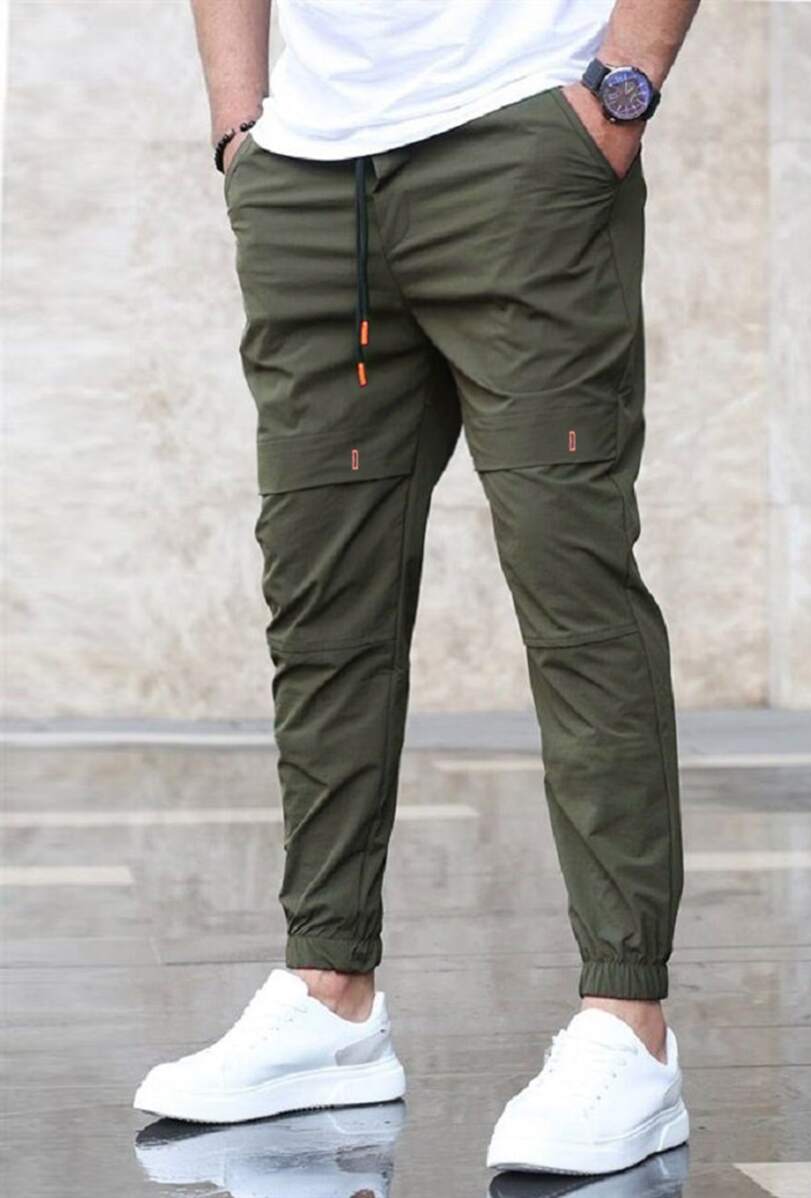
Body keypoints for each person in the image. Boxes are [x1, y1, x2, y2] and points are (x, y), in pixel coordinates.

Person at [134, 0, 700, 1176]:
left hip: (521, 145)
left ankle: (628, 1019)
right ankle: (328, 991)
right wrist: (240, 130)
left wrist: (623, 85)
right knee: (321, 604)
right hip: (307, 176)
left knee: (572, 589)